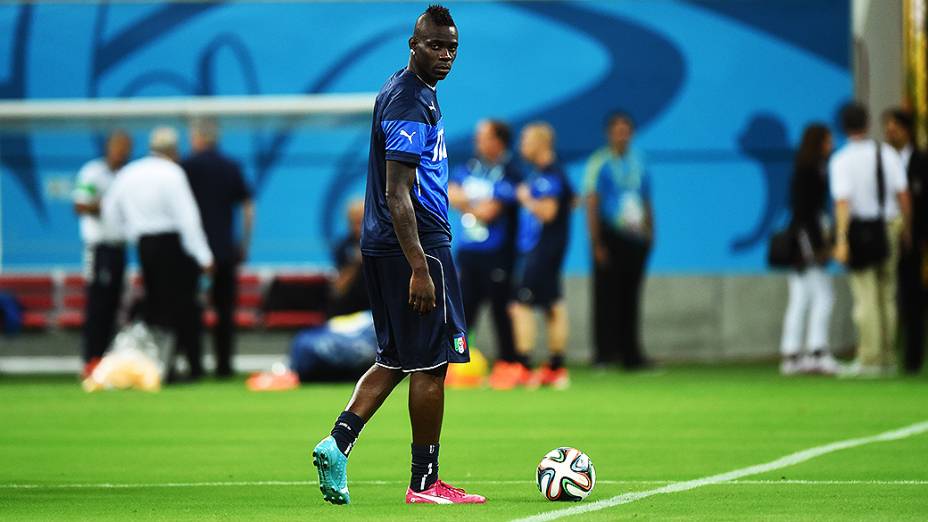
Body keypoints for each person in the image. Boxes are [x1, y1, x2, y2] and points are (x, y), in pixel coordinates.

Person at [311, 5, 484, 506]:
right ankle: (425, 484)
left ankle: (337, 442)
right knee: (432, 364)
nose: (445, 55)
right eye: (435, 46)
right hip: (417, 243)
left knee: (396, 356)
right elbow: (398, 191)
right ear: (414, 45)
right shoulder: (410, 101)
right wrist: (419, 267)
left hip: (382, 244)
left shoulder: (402, 89)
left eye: (452, 47)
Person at [102, 126, 214, 383]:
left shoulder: (130, 173)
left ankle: (158, 366)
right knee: (183, 308)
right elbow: (188, 219)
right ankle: (190, 366)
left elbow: (110, 211)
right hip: (174, 248)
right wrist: (204, 256)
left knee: (156, 309)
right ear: (174, 150)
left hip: (145, 246)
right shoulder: (172, 173)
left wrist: (128, 234)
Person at [831, 103, 912, 377]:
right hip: (889, 225)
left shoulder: (841, 160)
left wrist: (841, 240)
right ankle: (888, 355)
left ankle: (870, 357)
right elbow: (903, 195)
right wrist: (906, 228)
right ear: (867, 124)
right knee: (887, 295)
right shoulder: (886, 153)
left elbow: (843, 203)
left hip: (860, 231)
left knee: (865, 297)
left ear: (843, 127)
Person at [448, 119, 522, 389]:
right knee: (464, 313)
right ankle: (456, 364)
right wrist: (474, 204)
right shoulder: (470, 166)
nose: (477, 141)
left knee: (501, 310)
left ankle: (509, 365)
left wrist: (468, 203)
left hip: (498, 254)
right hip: (469, 252)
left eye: (483, 136)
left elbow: (491, 212)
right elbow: (451, 193)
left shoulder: (511, 171)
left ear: (498, 141)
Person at [182, 118, 255, 378]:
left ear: (197, 138)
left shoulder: (186, 166)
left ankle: (194, 367)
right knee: (225, 311)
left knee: (191, 310)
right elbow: (247, 208)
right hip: (224, 249)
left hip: (193, 252)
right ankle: (224, 366)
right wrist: (244, 243)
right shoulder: (230, 166)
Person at [584, 112, 654, 370]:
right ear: (609, 133)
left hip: (635, 236)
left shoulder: (640, 161)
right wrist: (596, 242)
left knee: (631, 296)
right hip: (609, 235)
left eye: (626, 129)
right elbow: (591, 202)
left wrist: (650, 233)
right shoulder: (599, 162)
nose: (622, 134)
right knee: (606, 296)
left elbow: (646, 199)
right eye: (617, 130)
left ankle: (631, 354)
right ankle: (604, 354)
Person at [509, 122, 574, 389]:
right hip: (545, 250)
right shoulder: (546, 174)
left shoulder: (549, 175)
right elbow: (573, 200)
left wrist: (525, 199)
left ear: (540, 143)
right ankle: (556, 369)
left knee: (520, 305)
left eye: (525, 140)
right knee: (552, 306)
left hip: (543, 250)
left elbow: (548, 213)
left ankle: (524, 368)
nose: (521, 146)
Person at [779, 123, 840, 375]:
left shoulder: (803, 166)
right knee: (824, 296)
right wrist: (819, 245)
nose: (832, 144)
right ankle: (817, 351)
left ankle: (792, 355)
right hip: (805, 240)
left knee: (800, 297)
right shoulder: (812, 169)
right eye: (828, 140)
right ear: (820, 142)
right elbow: (807, 211)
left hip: (799, 236)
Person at [72, 130, 132, 378]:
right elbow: (80, 204)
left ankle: (106, 361)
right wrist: (107, 204)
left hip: (119, 248)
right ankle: (90, 361)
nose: (122, 152)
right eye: (118, 146)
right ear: (108, 147)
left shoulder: (128, 175)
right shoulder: (92, 172)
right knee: (97, 304)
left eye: (126, 147)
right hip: (98, 249)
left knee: (115, 306)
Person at [884, 108, 927, 374]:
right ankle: (888, 354)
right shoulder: (882, 160)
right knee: (889, 297)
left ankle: (913, 358)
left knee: (913, 298)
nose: (889, 131)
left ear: (906, 130)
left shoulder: (922, 161)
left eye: (894, 126)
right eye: (887, 127)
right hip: (885, 237)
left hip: (916, 240)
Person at [328, 199, 369, 316]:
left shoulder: (382, 244)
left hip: (375, 309)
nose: (358, 228)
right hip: (350, 311)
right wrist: (355, 263)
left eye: (361, 222)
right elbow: (338, 289)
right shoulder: (343, 247)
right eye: (354, 223)